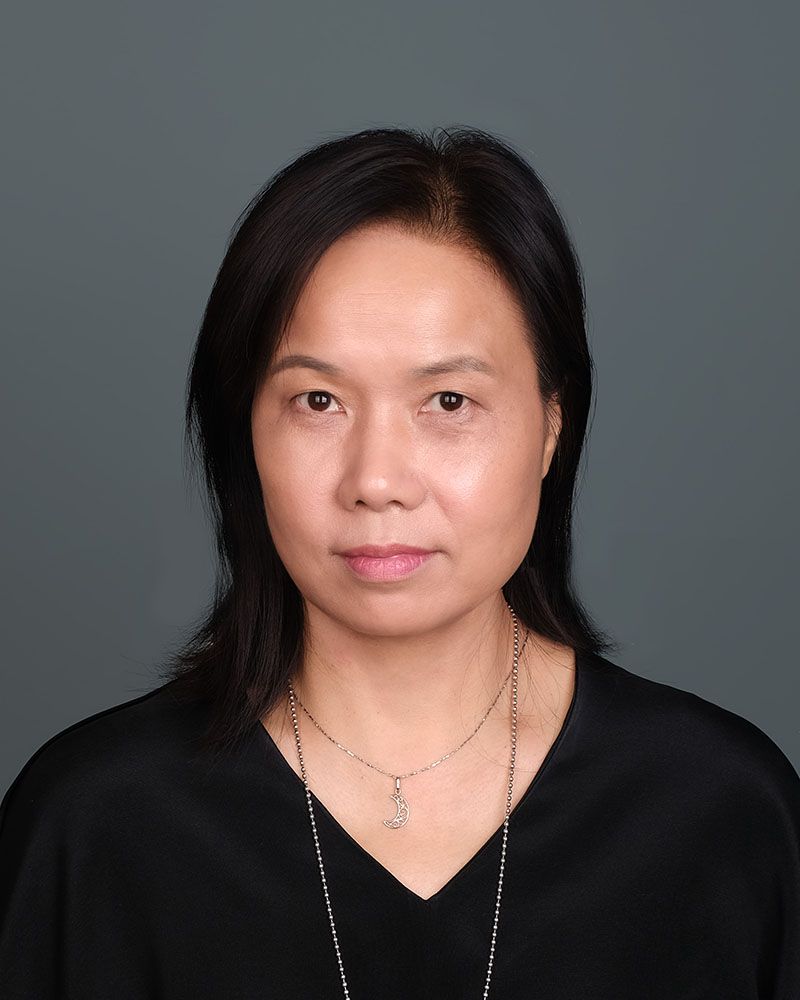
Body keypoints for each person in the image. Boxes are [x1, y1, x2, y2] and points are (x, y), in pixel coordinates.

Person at [1, 126, 798, 999]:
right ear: (246, 434)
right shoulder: (93, 824)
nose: (376, 481)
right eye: (318, 400)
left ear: (551, 426)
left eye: (448, 401)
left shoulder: (723, 811)